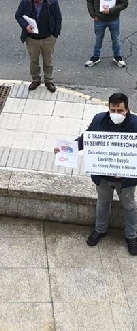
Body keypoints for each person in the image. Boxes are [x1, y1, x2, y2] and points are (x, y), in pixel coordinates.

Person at [61, 93, 137, 255]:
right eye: (113, 110)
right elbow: (84, 140)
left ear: (127, 109)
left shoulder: (136, 123)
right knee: (103, 203)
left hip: (126, 179)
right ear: (108, 108)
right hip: (103, 177)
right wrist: (64, 149)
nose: (116, 114)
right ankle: (100, 230)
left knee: (130, 207)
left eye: (120, 111)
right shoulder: (98, 120)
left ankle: (132, 236)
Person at [14, 0, 62, 93]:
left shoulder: (53, 2)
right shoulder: (25, 1)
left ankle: (48, 80)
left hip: (48, 38)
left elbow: (58, 18)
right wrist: (26, 26)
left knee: (48, 61)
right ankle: (35, 79)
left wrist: (55, 34)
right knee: (34, 61)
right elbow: (18, 15)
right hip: (32, 39)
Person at [85, 0, 129, 68]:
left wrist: (112, 10)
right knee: (98, 39)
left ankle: (117, 56)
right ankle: (96, 56)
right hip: (99, 19)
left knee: (116, 38)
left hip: (113, 18)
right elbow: (89, 0)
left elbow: (124, 3)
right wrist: (93, 15)